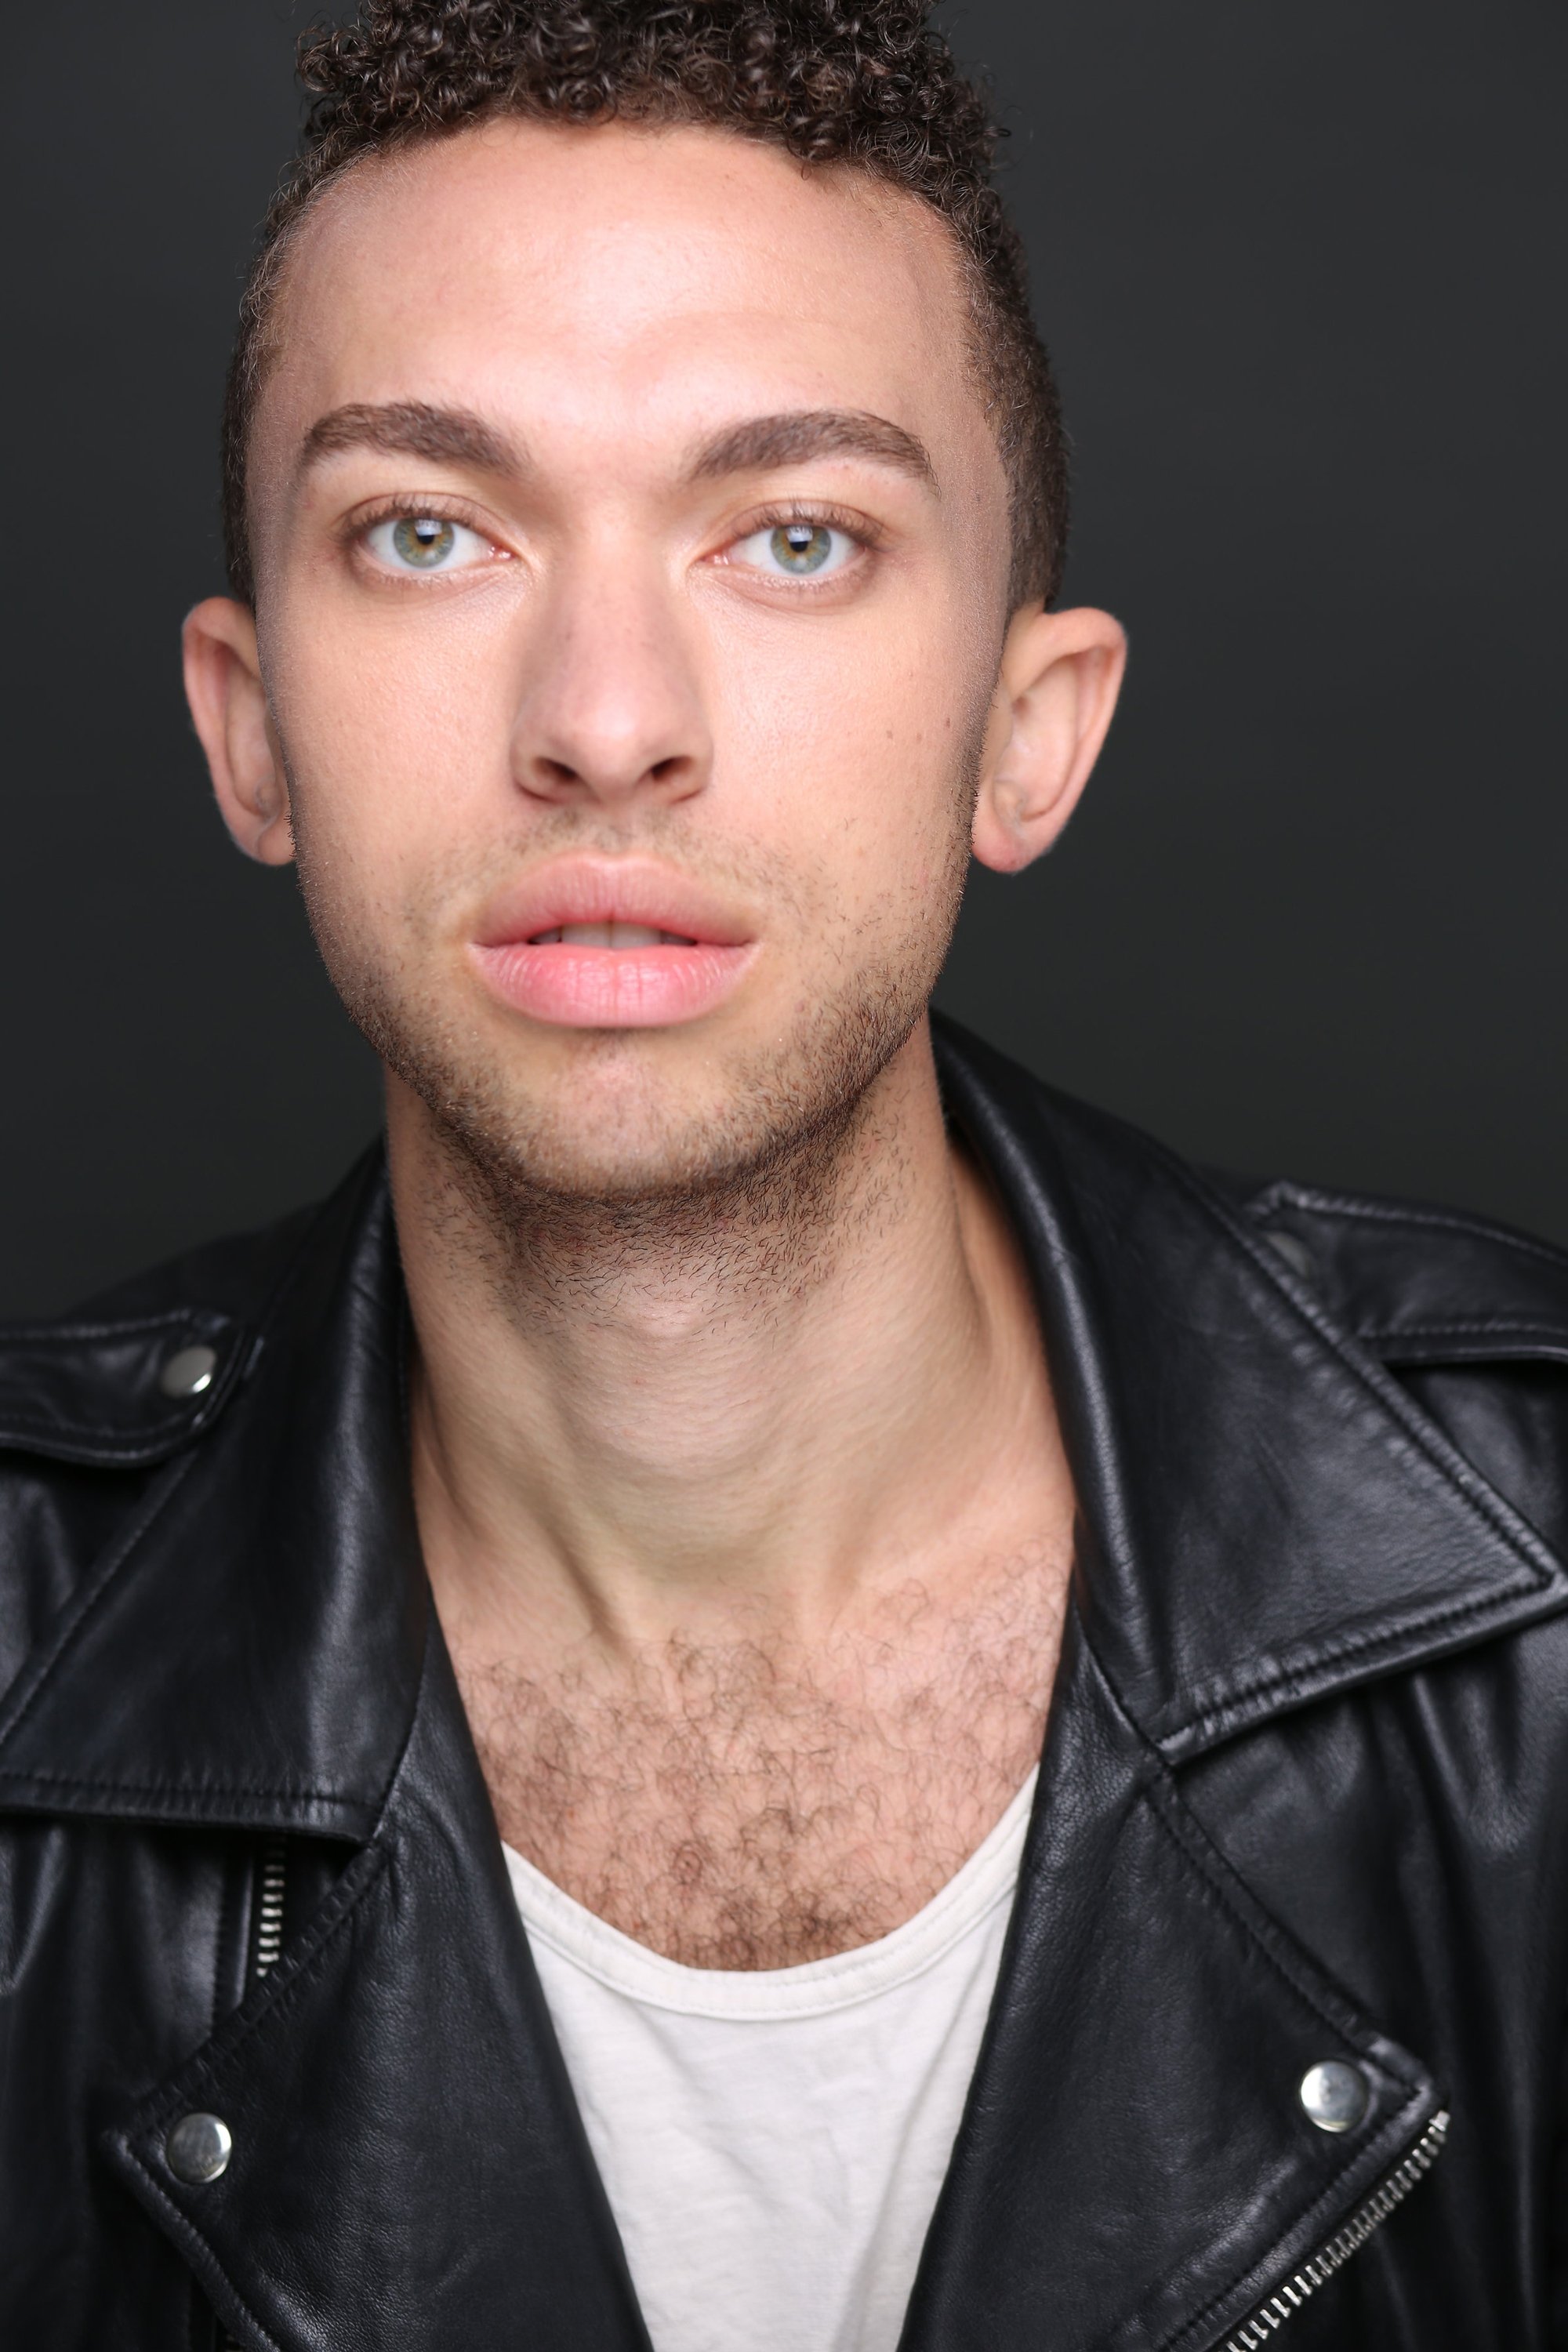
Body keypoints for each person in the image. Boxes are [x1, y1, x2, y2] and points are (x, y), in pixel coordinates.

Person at [2, 2, 1566, 2345]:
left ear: (1024, 737)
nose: (606, 721)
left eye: (797, 538)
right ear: (253, 731)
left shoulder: (1539, 1598)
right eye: (427, 532)